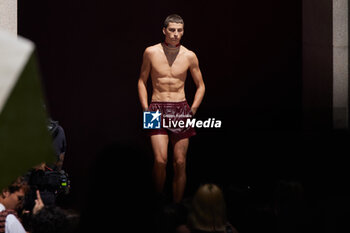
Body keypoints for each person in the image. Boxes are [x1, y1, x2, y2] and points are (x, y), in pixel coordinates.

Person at [138, 14, 205, 203]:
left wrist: (193, 109)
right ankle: (157, 205)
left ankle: (176, 208)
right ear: (164, 31)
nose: (176, 34)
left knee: (180, 162)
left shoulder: (189, 55)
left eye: (180, 30)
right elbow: (141, 81)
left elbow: (201, 85)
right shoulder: (151, 52)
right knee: (160, 161)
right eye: (172, 30)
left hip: (181, 107)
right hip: (155, 107)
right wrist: (145, 108)